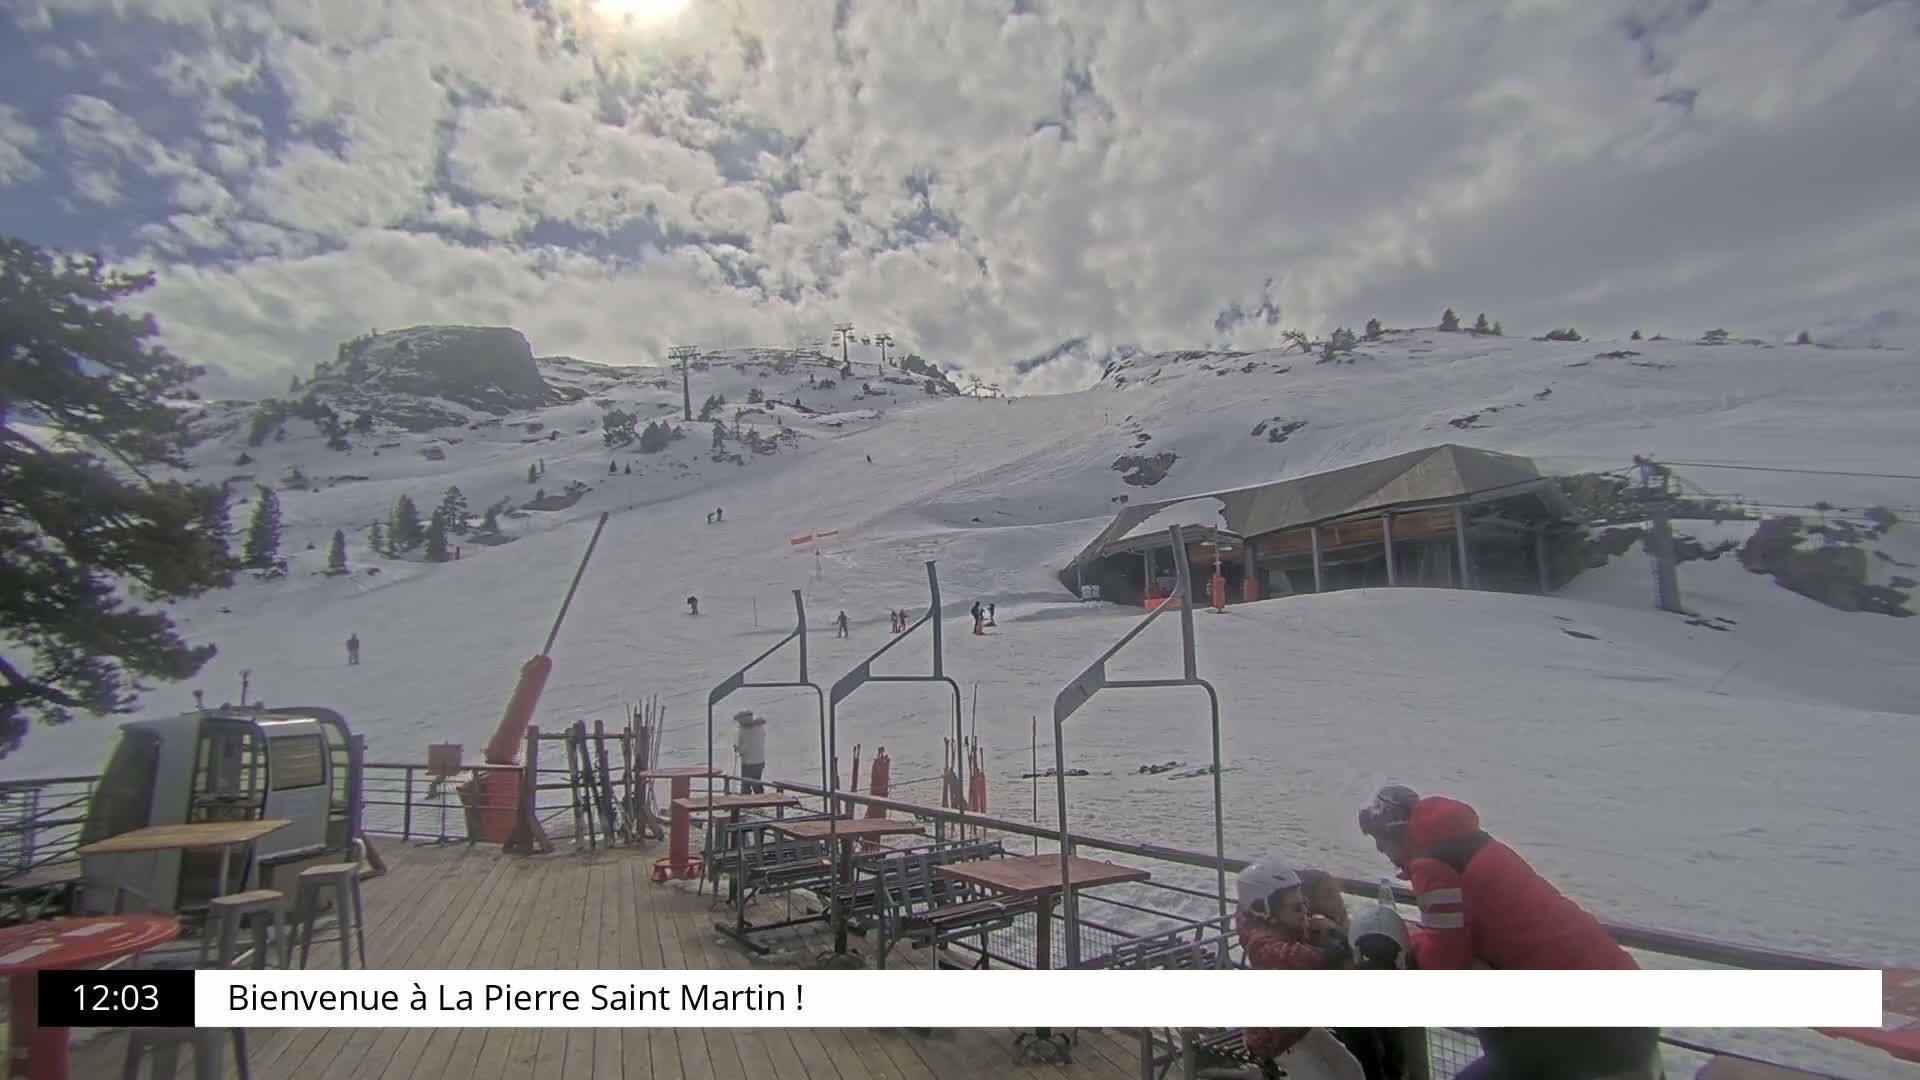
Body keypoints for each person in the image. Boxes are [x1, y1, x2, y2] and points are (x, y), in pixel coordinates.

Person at [1357, 786, 1663, 1079]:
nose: (1380, 849)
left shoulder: (1434, 865)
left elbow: (1444, 961)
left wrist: (1409, 939)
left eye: (1380, 840)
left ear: (1396, 831)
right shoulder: (1464, 843)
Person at [1232, 863, 1366, 1080]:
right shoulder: (1260, 944)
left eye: (1304, 904)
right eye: (1296, 908)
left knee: (1351, 1072)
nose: (1305, 912)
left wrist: (1334, 932)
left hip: (1300, 1028)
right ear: (1264, 908)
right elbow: (1289, 955)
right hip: (1273, 1039)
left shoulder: (1289, 925)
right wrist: (1326, 954)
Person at [733, 710, 767, 793]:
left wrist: (738, 749)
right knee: (757, 783)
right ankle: (762, 801)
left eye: (739, 721)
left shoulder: (745, 730)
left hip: (748, 763)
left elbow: (745, 748)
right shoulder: (760, 727)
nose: (739, 723)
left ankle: (748, 803)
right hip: (760, 761)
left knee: (745, 785)